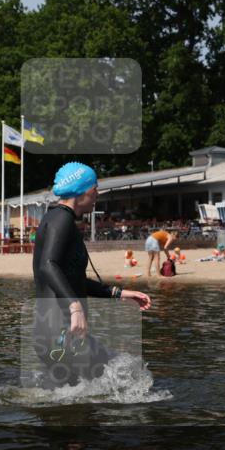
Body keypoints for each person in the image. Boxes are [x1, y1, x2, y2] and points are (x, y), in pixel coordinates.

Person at [33, 162, 151, 386]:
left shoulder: (55, 218)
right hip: (61, 331)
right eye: (95, 187)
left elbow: (72, 279)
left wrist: (120, 293)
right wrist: (75, 307)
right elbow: (48, 265)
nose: (97, 192)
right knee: (129, 373)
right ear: (81, 190)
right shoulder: (62, 220)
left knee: (74, 396)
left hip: (52, 333)